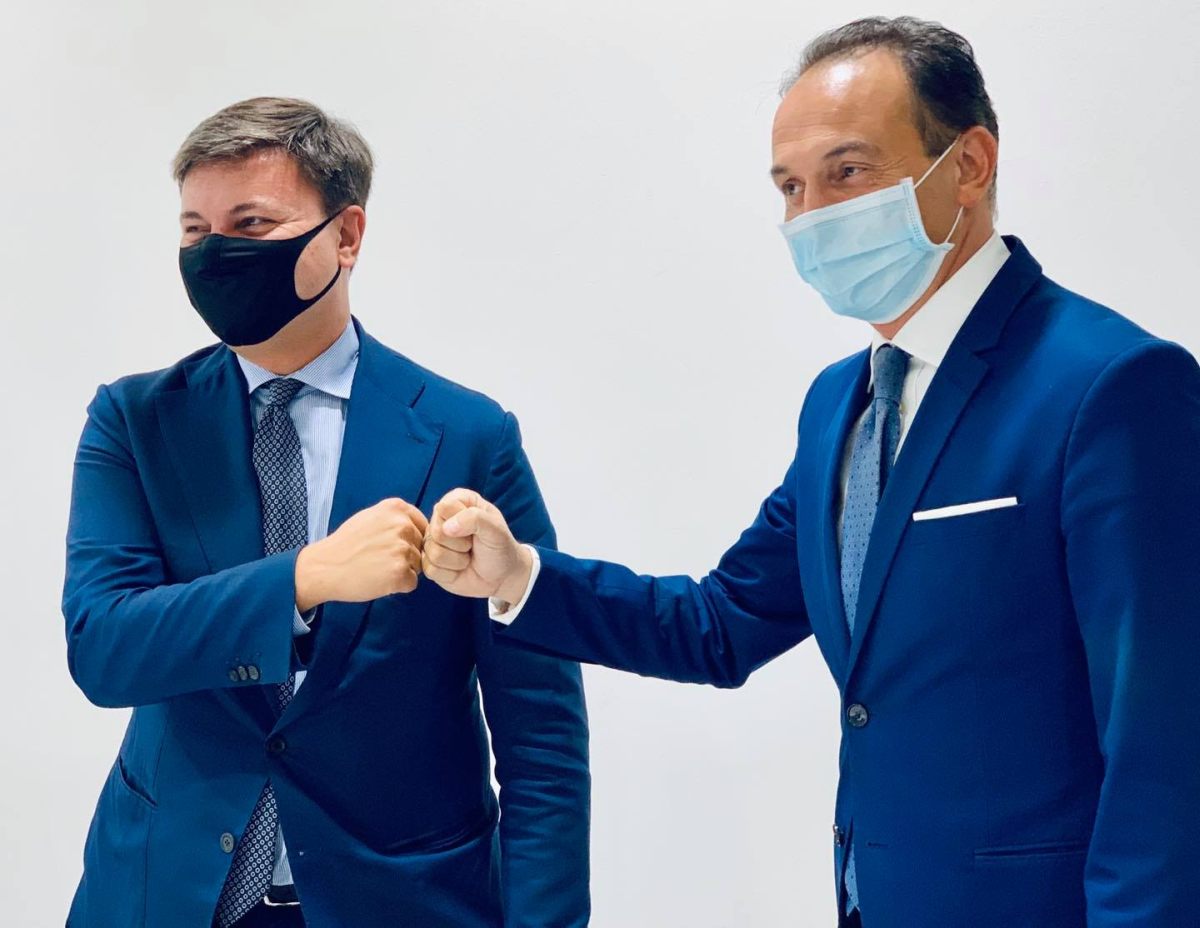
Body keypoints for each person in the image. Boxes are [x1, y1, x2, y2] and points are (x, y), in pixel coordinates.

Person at [422, 17, 1200, 928]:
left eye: (848, 171)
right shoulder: (842, 404)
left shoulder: (1110, 386)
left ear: (969, 163)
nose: (813, 215)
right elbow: (723, 624)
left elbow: (1165, 740)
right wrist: (519, 576)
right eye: (790, 187)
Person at [63, 97, 590, 928]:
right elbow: (105, 647)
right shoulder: (133, 421)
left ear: (346, 235)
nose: (216, 254)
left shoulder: (467, 436)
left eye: (251, 224)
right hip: (169, 891)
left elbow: (542, 734)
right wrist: (305, 579)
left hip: (401, 900)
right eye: (196, 231)